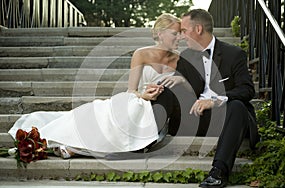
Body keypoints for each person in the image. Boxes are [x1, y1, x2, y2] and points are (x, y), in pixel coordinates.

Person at [8, 13, 181, 159]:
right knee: (105, 118)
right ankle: (71, 144)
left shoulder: (181, 59)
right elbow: (132, 90)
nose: (179, 37)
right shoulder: (141, 54)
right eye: (175, 33)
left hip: (158, 110)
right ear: (160, 33)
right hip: (138, 100)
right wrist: (144, 95)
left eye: (180, 33)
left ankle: (74, 148)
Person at [158, 9, 259, 188]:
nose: (181, 37)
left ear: (198, 29)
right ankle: (146, 141)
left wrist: (216, 100)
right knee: (164, 90)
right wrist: (174, 83)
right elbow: (184, 93)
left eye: (184, 31)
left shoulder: (234, 54)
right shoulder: (187, 57)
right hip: (196, 118)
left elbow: (247, 90)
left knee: (237, 106)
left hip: (226, 118)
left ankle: (218, 171)